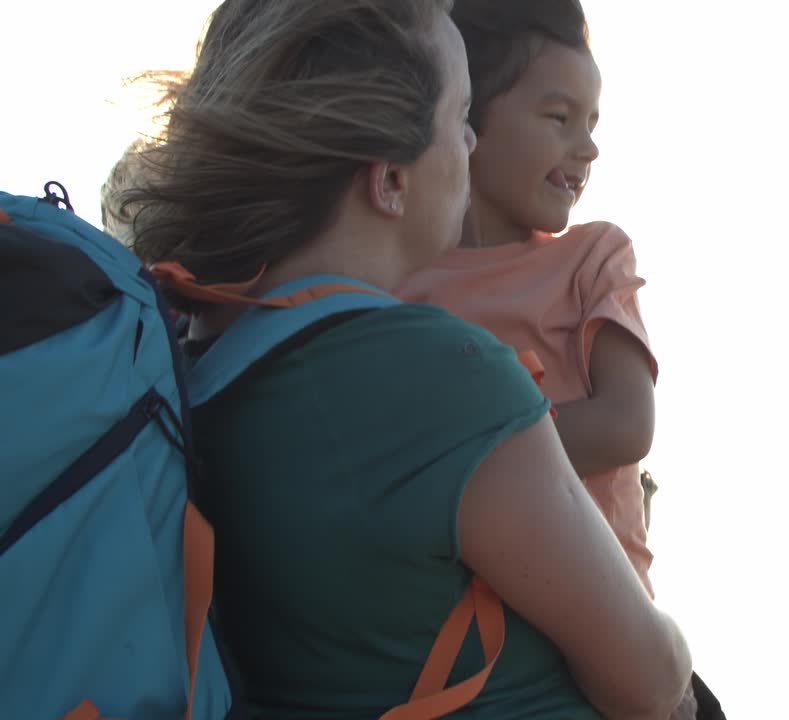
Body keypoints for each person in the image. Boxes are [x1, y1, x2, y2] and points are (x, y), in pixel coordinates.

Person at [119, 1, 692, 718]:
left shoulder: (194, 356)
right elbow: (650, 680)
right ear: (390, 178)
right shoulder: (443, 376)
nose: (474, 142)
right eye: (460, 118)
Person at [396, 0, 660, 600]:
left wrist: (453, 462)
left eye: (592, 123)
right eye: (560, 118)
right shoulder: (400, 278)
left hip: (605, 617)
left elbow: (626, 425)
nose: (587, 148)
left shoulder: (594, 258)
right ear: (470, 116)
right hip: (465, 627)